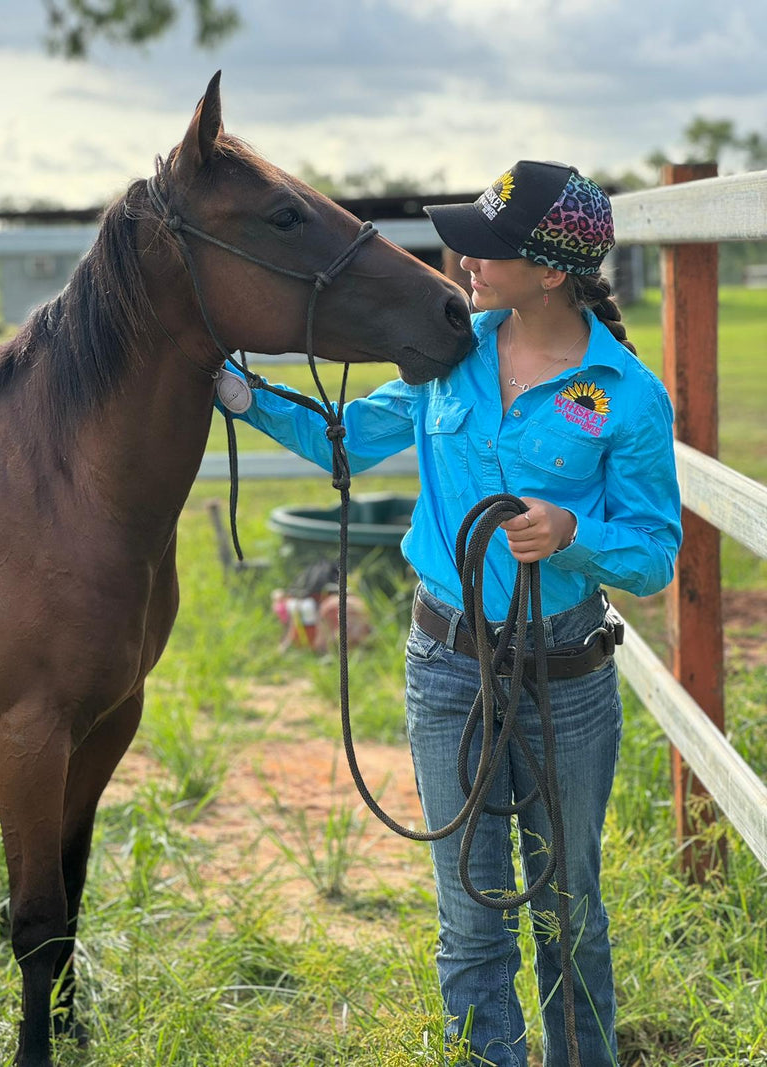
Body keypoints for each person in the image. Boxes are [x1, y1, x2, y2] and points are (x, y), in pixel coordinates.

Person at [217, 159, 682, 1066]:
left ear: (550, 270)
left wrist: (572, 531)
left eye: (485, 249)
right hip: (449, 667)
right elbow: (347, 439)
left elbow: (655, 552)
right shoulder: (452, 354)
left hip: (567, 676)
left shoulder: (627, 396)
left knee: (568, 909)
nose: (462, 261)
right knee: (470, 919)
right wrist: (236, 391)